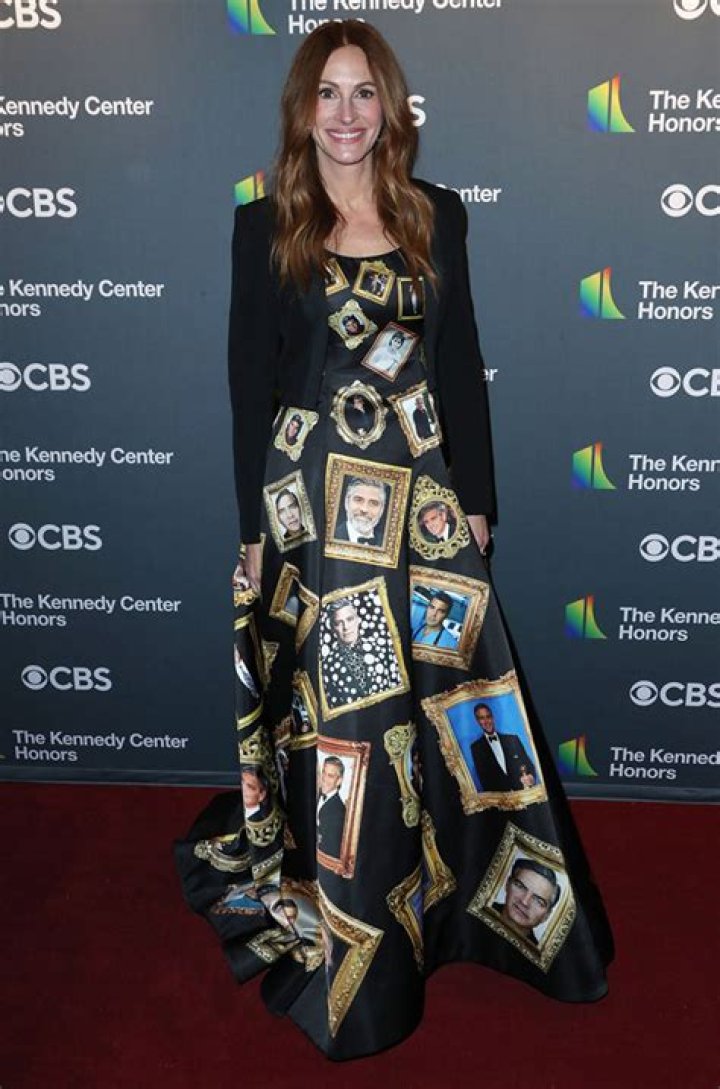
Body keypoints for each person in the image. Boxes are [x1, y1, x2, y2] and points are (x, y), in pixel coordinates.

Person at [176, 20, 612, 1062]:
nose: (346, 113)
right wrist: (253, 532)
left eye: (364, 92)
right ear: (302, 109)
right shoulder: (265, 225)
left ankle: (469, 906)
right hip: (317, 521)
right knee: (351, 725)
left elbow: (460, 362)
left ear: (391, 107)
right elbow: (249, 386)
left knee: (452, 703)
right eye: (327, 93)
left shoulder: (435, 214)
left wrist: (478, 499)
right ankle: (354, 922)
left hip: (421, 509)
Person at [470, 703, 537, 792]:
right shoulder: (476, 748)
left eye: (488, 716)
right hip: (501, 798)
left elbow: (528, 764)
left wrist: (531, 778)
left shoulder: (513, 739)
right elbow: (484, 780)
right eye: (482, 718)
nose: (486, 721)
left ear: (493, 717)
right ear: (477, 721)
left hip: (523, 793)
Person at [492, 859, 561, 945]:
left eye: (538, 901)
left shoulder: (536, 952)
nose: (524, 902)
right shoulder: (480, 907)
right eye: (520, 886)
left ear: (546, 915)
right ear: (507, 884)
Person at [333, 475, 386, 544]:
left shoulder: (387, 543)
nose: (364, 509)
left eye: (373, 503)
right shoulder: (329, 536)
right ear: (346, 502)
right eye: (358, 500)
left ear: (382, 509)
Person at [317, 755, 347, 857]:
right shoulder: (317, 795)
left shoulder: (339, 811)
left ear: (339, 781)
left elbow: (329, 849)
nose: (324, 778)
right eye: (323, 772)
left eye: (330, 776)